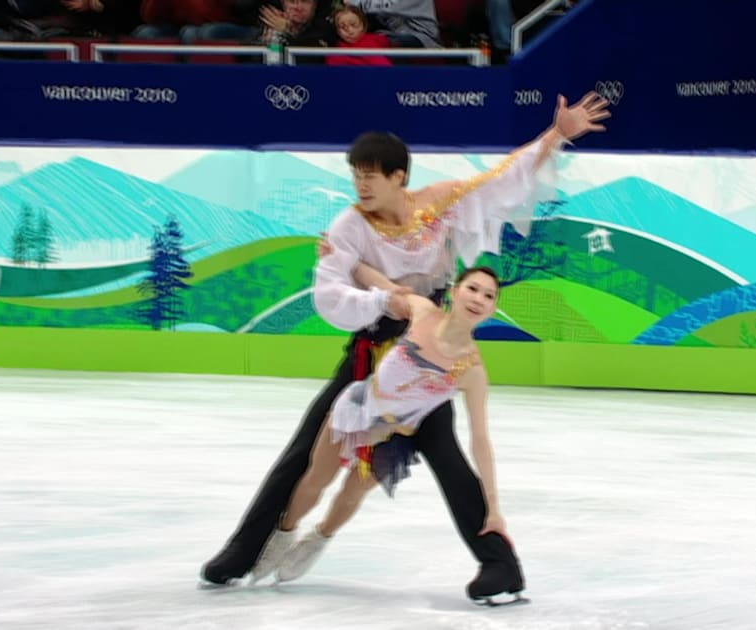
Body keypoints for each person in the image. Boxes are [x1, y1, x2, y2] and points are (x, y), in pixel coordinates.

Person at [202, 91, 611, 602]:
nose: (361, 185)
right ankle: (244, 552)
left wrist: (556, 135)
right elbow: (328, 294)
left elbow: (503, 179)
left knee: (447, 455)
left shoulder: (440, 201)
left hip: (430, 354)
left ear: (399, 177)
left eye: (371, 175)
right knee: (306, 453)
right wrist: (383, 302)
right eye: (355, 175)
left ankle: (500, 568)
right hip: (372, 350)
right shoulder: (348, 227)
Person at [256, 266, 505, 587]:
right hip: (357, 411)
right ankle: (285, 531)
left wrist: (494, 507)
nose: (478, 299)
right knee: (315, 480)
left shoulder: (472, 369)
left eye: (488, 296)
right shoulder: (424, 312)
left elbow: (481, 439)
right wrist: (339, 257)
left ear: (492, 309)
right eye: (473, 289)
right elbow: (387, 287)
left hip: (394, 440)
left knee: (350, 494)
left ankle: (319, 538)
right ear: (455, 292)